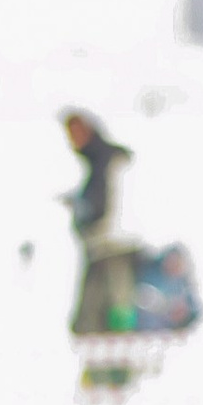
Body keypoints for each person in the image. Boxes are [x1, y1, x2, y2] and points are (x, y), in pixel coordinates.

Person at [61, 110, 135, 335]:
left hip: (112, 243)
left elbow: (110, 200)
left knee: (116, 304)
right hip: (99, 243)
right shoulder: (91, 161)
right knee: (96, 310)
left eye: (77, 132)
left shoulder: (108, 158)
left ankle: (120, 358)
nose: (74, 139)